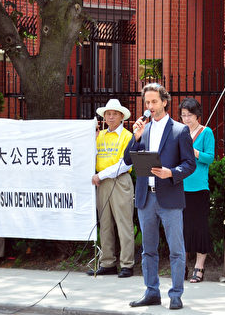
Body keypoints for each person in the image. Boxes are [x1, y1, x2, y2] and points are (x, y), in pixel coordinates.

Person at [124, 83, 196, 310]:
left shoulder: (179, 130)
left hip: (170, 198)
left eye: (154, 101)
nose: (150, 106)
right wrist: (135, 138)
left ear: (165, 102)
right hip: (146, 198)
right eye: (147, 102)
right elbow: (127, 160)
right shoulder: (143, 130)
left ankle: (176, 294)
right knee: (148, 249)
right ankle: (151, 291)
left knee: (176, 249)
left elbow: (190, 164)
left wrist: (171, 173)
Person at [86, 98, 135, 278]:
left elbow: (124, 164)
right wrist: (93, 137)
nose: (111, 116)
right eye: (108, 114)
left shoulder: (127, 136)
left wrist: (101, 175)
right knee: (105, 223)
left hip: (119, 180)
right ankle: (107, 263)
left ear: (121, 116)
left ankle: (127, 264)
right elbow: (92, 154)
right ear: (104, 116)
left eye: (114, 114)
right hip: (102, 182)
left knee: (124, 223)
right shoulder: (101, 136)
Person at [178, 97, 215, 283]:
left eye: (189, 115)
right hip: (180, 187)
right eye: (183, 115)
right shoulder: (179, 132)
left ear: (197, 115)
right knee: (182, 227)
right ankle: (181, 265)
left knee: (199, 227)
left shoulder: (206, 132)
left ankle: (199, 267)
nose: (186, 119)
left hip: (199, 187)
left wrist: (194, 151)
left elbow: (210, 158)